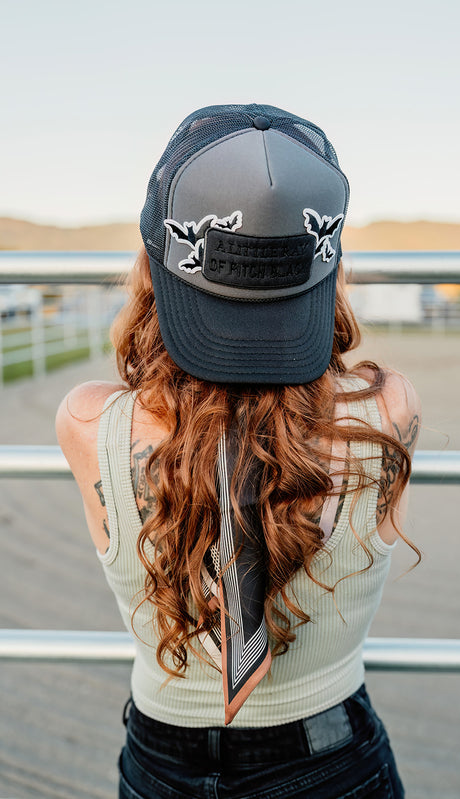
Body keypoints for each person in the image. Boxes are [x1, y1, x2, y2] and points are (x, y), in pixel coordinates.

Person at [56, 103, 421, 799]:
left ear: (151, 266)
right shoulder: (389, 406)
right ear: (327, 268)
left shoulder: (87, 420)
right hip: (330, 754)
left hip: (161, 758)